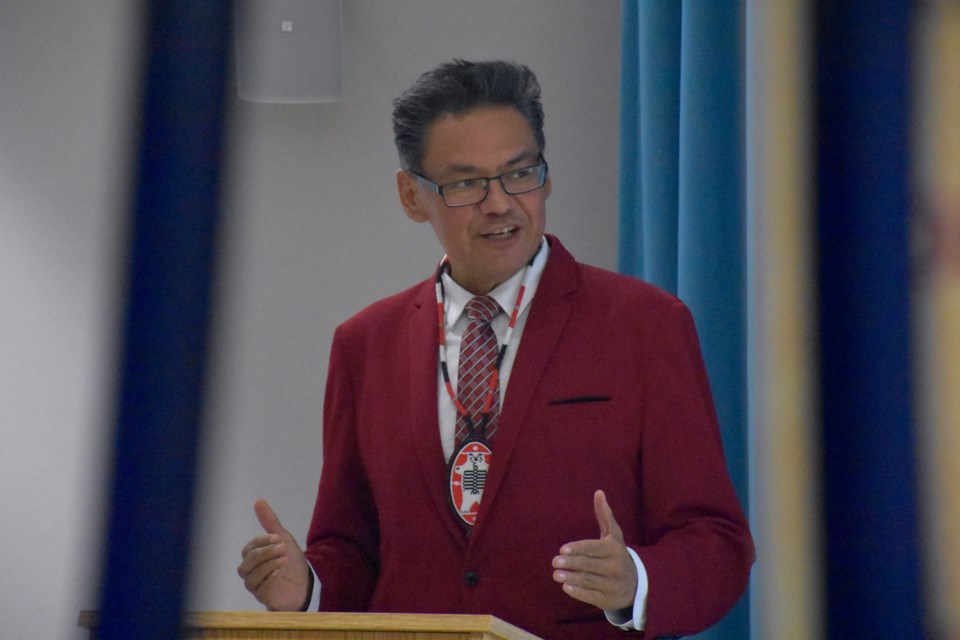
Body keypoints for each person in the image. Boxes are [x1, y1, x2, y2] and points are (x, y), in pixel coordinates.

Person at [237, 59, 753, 639]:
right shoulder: (364, 345)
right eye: (465, 184)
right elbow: (352, 551)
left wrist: (637, 579)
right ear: (412, 195)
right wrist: (306, 587)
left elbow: (718, 544)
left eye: (519, 173)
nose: (500, 203)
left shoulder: (645, 325)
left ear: (546, 176)